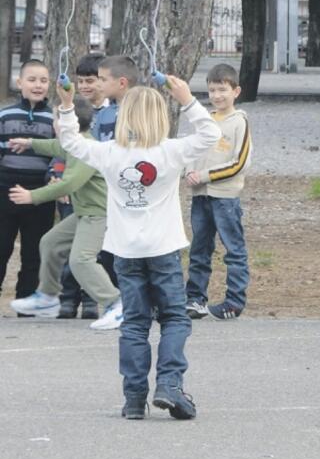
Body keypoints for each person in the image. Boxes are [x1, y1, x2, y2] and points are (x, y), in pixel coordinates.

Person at [55, 77, 220, 420]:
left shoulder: (110, 153)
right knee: (174, 317)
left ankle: (133, 398)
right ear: (160, 116)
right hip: (163, 248)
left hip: (125, 250)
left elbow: (70, 140)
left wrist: (68, 105)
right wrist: (188, 100)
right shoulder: (171, 150)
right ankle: (170, 384)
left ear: (123, 116)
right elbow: (211, 135)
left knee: (134, 322)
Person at [7, 96, 122, 330]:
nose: (54, 124)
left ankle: (116, 304)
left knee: (81, 260)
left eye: (57, 120)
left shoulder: (85, 150)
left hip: (99, 214)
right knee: (50, 242)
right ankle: (48, 297)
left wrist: (33, 196)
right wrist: (30, 143)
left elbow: (68, 184)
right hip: (84, 213)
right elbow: (55, 146)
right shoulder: (74, 143)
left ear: (70, 124)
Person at [184, 63, 253, 321]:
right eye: (212, 90)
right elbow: (192, 148)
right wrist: (189, 171)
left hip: (225, 198)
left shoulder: (240, 122)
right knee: (199, 249)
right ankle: (195, 299)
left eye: (222, 89)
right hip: (200, 196)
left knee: (233, 249)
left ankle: (234, 301)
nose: (217, 95)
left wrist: (205, 175)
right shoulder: (205, 120)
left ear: (236, 91)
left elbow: (240, 163)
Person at [54, 54, 109, 319]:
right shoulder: (70, 109)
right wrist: (56, 177)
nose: (85, 86)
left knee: (93, 251)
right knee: (69, 246)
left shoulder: (113, 114)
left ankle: (91, 300)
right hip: (71, 192)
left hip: (99, 195)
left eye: (91, 80)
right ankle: (68, 297)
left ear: (104, 81)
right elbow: (60, 147)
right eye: (81, 81)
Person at [0, 60, 56, 302]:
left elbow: (60, 153)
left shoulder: (54, 118)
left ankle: (26, 300)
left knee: (34, 251)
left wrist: (55, 176)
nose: (38, 85)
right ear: (19, 82)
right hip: (6, 190)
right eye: (32, 80)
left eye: (43, 81)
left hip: (40, 194)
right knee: (2, 247)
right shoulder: (5, 115)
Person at [92, 55, 139, 142]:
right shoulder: (102, 114)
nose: (98, 84)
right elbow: (95, 147)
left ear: (122, 83)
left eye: (103, 80)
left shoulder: (143, 113)